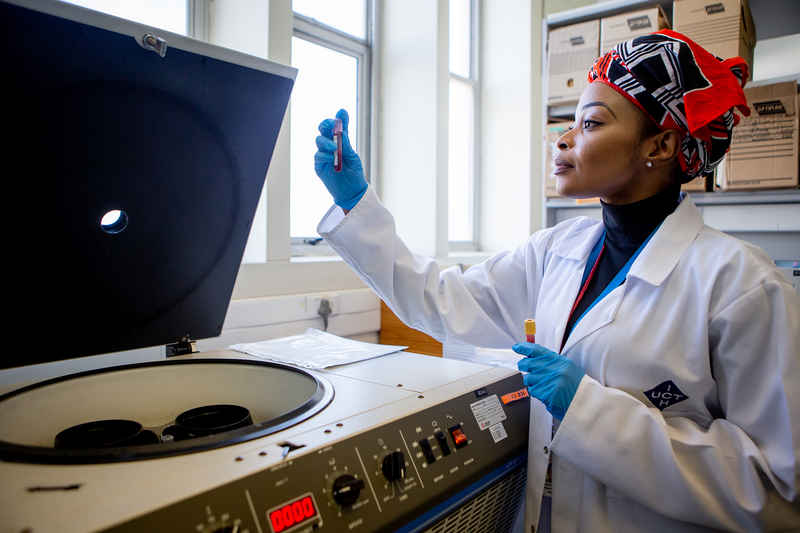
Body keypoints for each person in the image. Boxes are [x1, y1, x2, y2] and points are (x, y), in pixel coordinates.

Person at [313, 30, 800, 532]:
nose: (564, 139)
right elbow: (444, 302)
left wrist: (591, 410)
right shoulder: (557, 250)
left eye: (590, 124)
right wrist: (357, 205)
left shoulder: (741, 283)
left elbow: (778, 493)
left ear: (662, 143)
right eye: (570, 123)